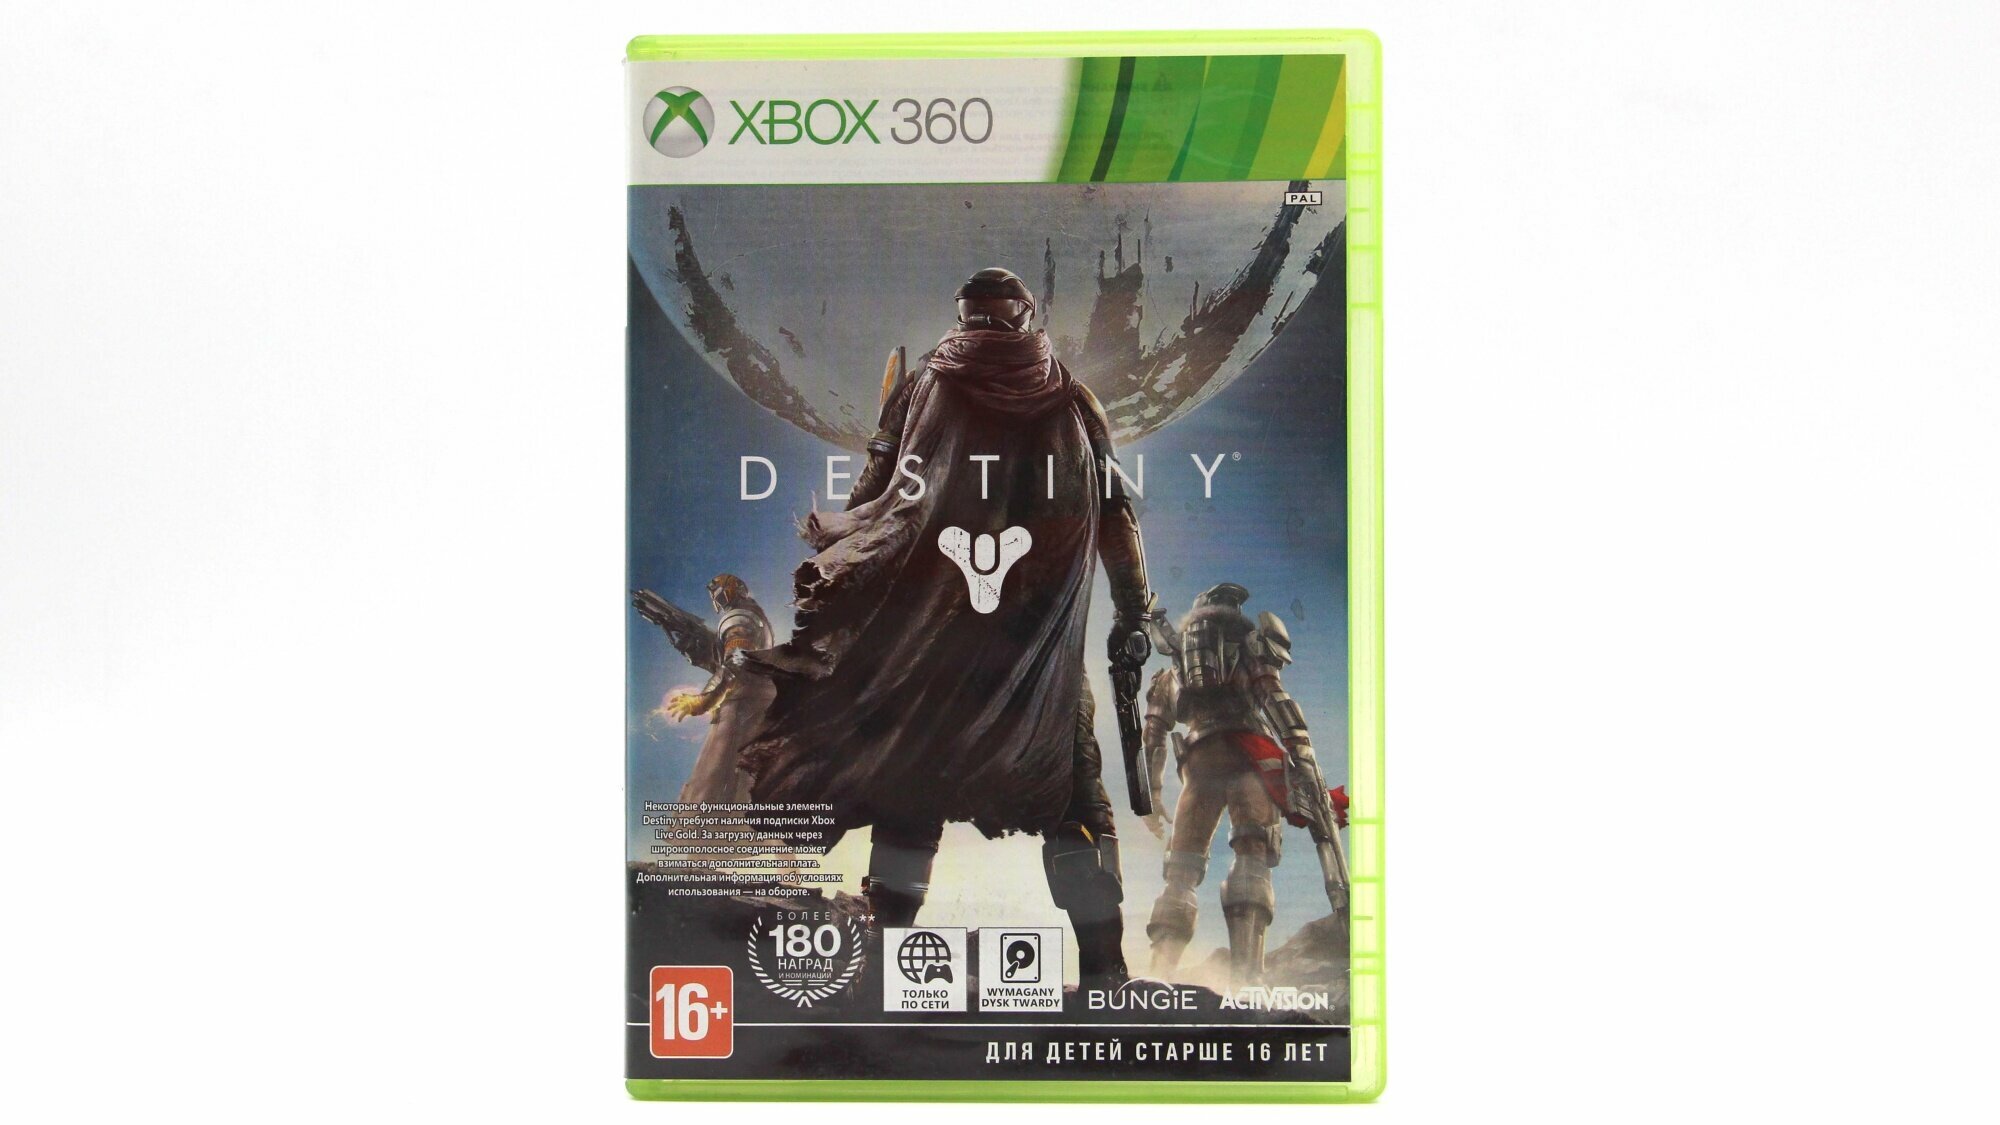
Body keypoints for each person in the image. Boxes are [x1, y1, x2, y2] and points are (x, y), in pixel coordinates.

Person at [739, 268, 1153, 984]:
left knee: (913, 784)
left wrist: (845, 545)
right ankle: (1104, 967)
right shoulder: (1073, 399)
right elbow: (1118, 514)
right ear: (1027, 315)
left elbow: (875, 498)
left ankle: (890, 951)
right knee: (1071, 794)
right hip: (1033, 652)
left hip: (936, 641)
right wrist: (1134, 610)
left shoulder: (924, 386)